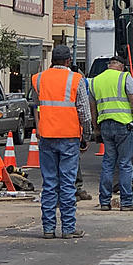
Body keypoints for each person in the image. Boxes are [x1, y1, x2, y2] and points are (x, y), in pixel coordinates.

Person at [29, 45, 92, 239]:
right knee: (67, 183)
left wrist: (39, 129)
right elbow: (84, 111)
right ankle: (68, 228)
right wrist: (86, 135)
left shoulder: (38, 78)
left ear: (52, 61)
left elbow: (35, 106)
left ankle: (48, 229)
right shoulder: (75, 79)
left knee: (49, 183)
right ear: (68, 61)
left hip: (47, 137)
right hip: (69, 137)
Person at [89, 54, 133, 211]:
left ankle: (105, 201)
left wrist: (96, 127)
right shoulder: (125, 77)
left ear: (109, 65)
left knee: (108, 163)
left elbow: (92, 107)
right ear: (121, 66)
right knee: (125, 164)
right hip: (124, 125)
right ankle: (126, 202)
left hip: (105, 125)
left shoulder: (95, 81)